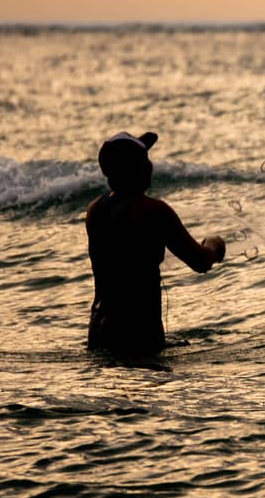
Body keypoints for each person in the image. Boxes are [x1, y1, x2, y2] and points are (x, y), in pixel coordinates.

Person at [85, 131, 226, 354]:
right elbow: (200, 261)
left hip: (100, 331)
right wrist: (214, 244)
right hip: (139, 332)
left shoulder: (96, 210)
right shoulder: (154, 211)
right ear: (140, 169)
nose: (151, 166)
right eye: (146, 160)